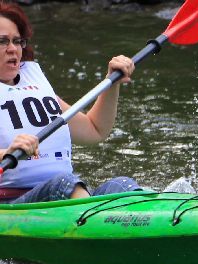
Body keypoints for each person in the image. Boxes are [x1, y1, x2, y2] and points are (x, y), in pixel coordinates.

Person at [0, 3, 140, 204]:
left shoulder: (34, 87)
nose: (12, 49)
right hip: (13, 205)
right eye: (2, 41)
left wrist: (112, 82)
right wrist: (6, 152)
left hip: (63, 197)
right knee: (63, 183)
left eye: (16, 41)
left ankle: (162, 222)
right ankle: (96, 224)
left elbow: (95, 129)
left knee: (121, 185)